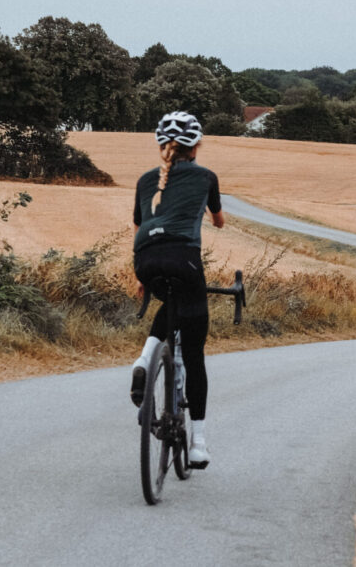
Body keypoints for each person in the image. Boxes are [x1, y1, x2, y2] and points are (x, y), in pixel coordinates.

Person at [130, 111, 224, 466]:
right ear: (196, 145)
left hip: (146, 259)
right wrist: (215, 218)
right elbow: (217, 218)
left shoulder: (144, 180)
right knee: (195, 351)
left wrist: (140, 276)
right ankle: (198, 443)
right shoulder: (205, 177)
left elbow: (139, 226)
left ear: (160, 145)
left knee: (169, 304)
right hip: (183, 258)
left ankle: (144, 358)